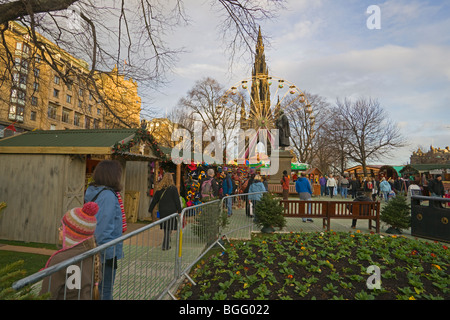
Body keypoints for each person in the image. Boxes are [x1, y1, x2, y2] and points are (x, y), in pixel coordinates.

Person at [40, 202, 101, 300]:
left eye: (62, 227)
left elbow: (47, 295)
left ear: (71, 234)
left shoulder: (60, 259)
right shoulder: (93, 254)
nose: (59, 229)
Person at [84, 160, 125, 300]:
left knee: (98, 291)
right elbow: (102, 229)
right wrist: (109, 254)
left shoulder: (97, 192)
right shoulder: (107, 196)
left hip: (100, 252)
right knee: (105, 292)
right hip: (105, 254)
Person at [148, 173, 182, 250]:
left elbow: (154, 201)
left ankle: (167, 242)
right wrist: (179, 210)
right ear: (171, 179)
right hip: (171, 211)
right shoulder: (173, 189)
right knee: (168, 228)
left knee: (166, 228)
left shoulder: (159, 189)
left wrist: (150, 209)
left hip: (162, 211)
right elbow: (177, 201)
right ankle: (165, 245)